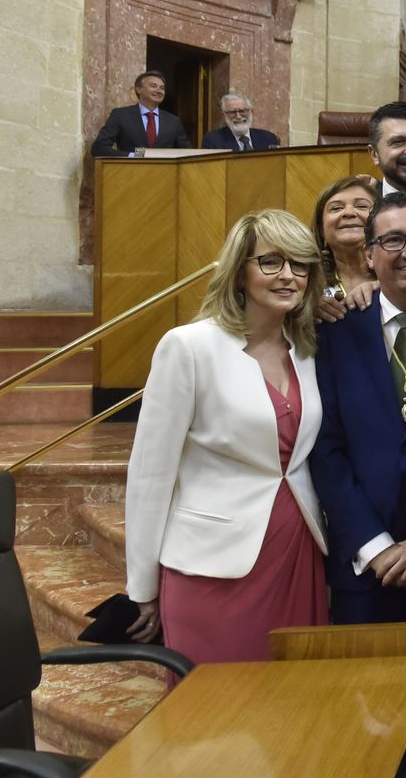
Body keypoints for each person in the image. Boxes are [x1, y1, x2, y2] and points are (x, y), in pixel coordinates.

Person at [123, 209, 326, 664]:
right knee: (212, 716)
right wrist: (142, 584)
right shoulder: (189, 346)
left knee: (294, 704)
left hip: (297, 550)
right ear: (240, 272)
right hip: (212, 567)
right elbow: (151, 473)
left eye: (299, 265)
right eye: (271, 262)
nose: (288, 276)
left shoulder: (308, 348)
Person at [310, 192, 406, 624]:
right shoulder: (334, 332)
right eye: (392, 241)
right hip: (365, 570)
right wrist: (374, 545)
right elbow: (325, 449)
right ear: (369, 256)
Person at [310, 175, 379, 321]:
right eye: (336, 208)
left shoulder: (398, 278)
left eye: (361, 206)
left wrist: (387, 288)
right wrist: (306, 310)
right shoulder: (307, 285)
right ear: (321, 228)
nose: (349, 213)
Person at [90, 70, 193, 157]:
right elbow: (98, 148)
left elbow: (187, 153)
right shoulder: (121, 115)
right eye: (153, 86)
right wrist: (135, 156)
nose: (159, 90)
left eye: (162, 88)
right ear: (139, 89)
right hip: (130, 175)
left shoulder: (173, 121)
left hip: (165, 176)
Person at [201, 91, 280, 151]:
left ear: (251, 111)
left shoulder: (268, 138)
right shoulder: (213, 140)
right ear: (224, 115)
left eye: (242, 111)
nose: (238, 116)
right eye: (232, 112)